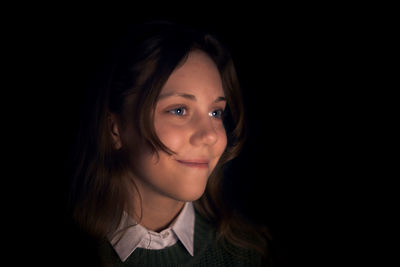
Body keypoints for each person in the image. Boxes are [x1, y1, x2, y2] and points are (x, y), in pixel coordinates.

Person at [67, 20, 275, 266]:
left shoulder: (247, 254)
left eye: (216, 113)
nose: (210, 135)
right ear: (115, 129)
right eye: (179, 110)